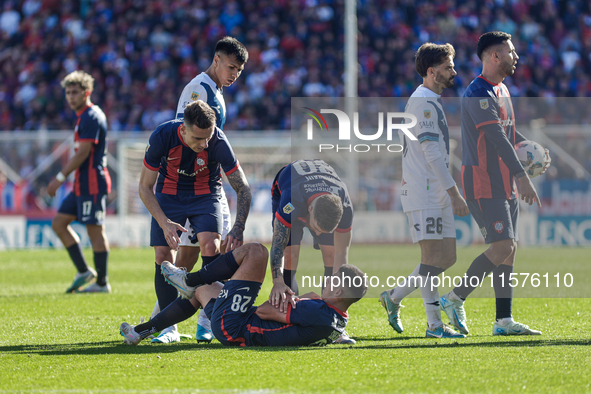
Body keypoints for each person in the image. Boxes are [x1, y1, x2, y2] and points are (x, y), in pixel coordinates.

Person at [439, 31, 550, 336]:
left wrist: (534, 152)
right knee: (503, 245)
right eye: (511, 52)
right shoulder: (478, 93)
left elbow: (510, 137)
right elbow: (496, 139)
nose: (516, 56)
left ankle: (503, 321)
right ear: (494, 56)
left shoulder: (502, 90)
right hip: (484, 182)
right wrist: (522, 176)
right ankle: (454, 298)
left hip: (503, 182)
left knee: (509, 251)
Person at [152, 36, 248, 343]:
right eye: (231, 67)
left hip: (206, 184)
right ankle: (177, 322)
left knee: (196, 256)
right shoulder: (200, 90)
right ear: (217, 60)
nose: (235, 74)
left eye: (240, 70)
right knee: (192, 256)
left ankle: (183, 320)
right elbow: (186, 134)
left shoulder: (216, 90)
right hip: (193, 185)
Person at [139, 100, 251, 343]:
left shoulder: (218, 141)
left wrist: (238, 227)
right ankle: (169, 329)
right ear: (183, 130)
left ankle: (208, 319)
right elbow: (145, 188)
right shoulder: (162, 135)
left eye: (208, 138)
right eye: (198, 138)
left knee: (211, 247)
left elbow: (243, 188)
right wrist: (164, 222)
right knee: (162, 256)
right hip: (169, 195)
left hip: (205, 194)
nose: (205, 144)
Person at [378, 43, 469, 339]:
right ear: (432, 72)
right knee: (431, 259)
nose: (453, 72)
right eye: (447, 67)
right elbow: (430, 152)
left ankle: (393, 297)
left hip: (435, 191)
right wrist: (454, 192)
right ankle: (434, 326)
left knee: (448, 257)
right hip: (424, 191)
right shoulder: (422, 102)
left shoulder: (430, 100)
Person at [120, 243, 368, 347]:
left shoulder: (317, 310)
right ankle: (140, 332)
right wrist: (306, 299)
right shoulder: (338, 320)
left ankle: (187, 278)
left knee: (257, 252)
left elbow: (264, 311)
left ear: (337, 290)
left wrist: (293, 301)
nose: (326, 281)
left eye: (331, 280)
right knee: (202, 290)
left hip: (236, 326)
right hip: (236, 327)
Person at [268, 159, 355, 344]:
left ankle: (331, 323)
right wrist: (277, 282)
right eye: (315, 228)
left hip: (319, 194)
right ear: (309, 211)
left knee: (331, 254)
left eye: (323, 232)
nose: (316, 234)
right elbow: (278, 245)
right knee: (291, 256)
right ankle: (289, 317)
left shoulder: (345, 206)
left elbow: (342, 254)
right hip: (290, 188)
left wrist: (339, 298)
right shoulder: (291, 200)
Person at [47, 71, 111, 293]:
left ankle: (102, 283)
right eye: (68, 93)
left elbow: (83, 153)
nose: (70, 97)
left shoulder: (91, 116)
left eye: (75, 92)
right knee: (59, 223)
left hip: (92, 183)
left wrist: (59, 178)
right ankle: (84, 271)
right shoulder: (84, 116)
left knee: (95, 231)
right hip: (81, 184)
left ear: (87, 93)